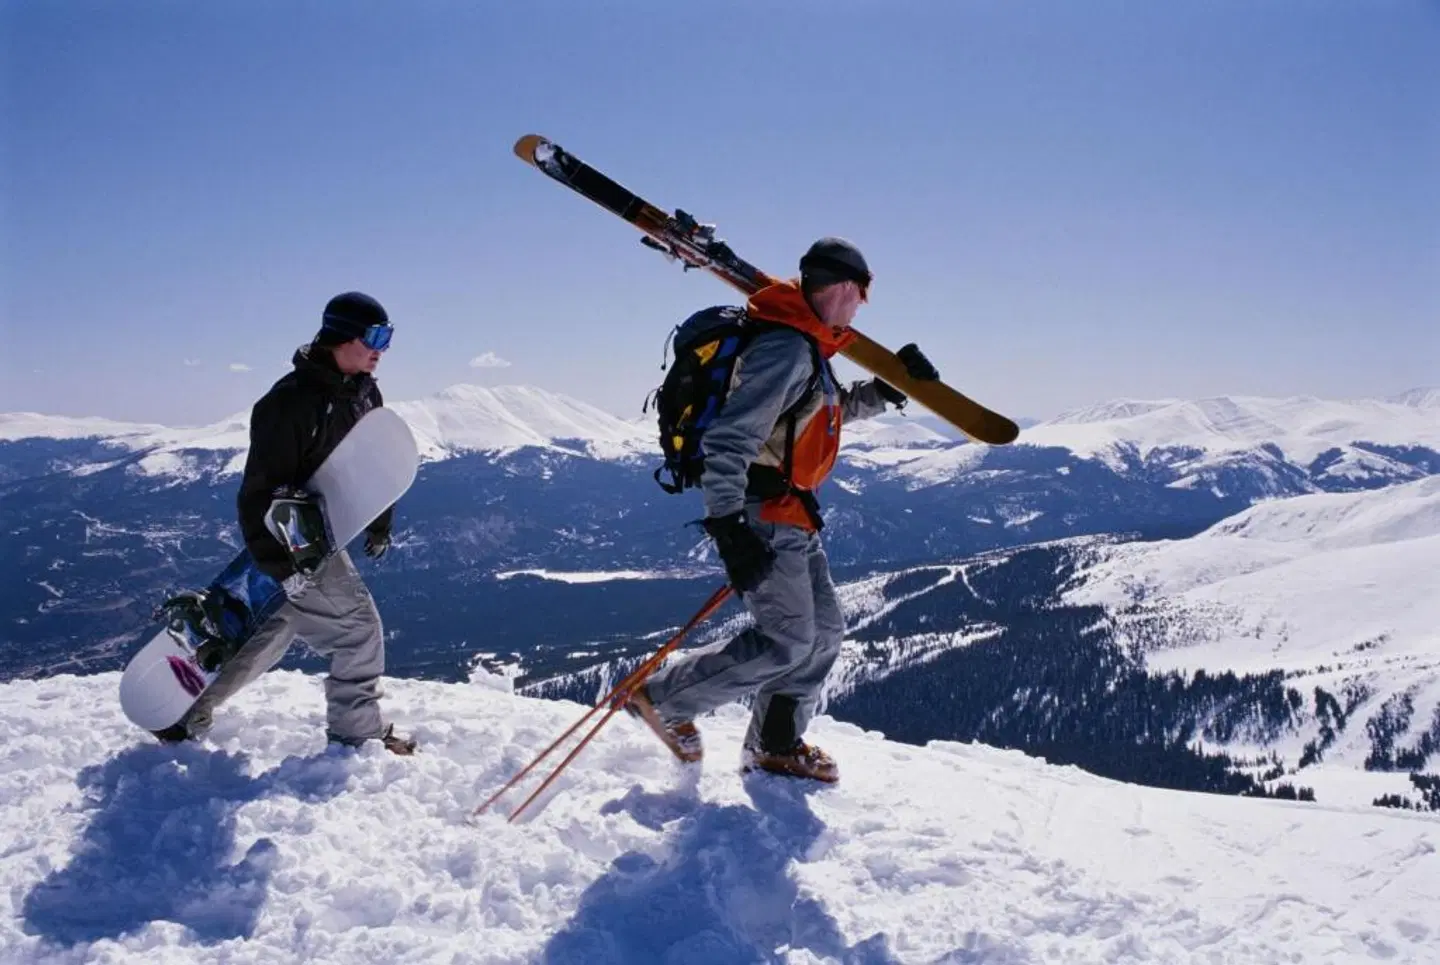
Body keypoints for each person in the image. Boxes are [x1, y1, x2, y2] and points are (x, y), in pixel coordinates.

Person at [627, 238, 939, 782]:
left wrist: (886, 391)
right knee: (788, 639)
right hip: (763, 514)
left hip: (790, 512)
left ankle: (775, 742)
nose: (861, 307)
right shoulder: (787, 349)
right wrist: (727, 527)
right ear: (844, 288)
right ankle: (664, 701)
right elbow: (731, 439)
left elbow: (819, 415)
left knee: (823, 635)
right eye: (861, 294)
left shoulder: (807, 348)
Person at [161, 291, 415, 754]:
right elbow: (258, 494)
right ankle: (357, 737)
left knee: (269, 632)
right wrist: (285, 568)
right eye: (374, 336)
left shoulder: (363, 393)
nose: (382, 348)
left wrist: (379, 521)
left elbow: (368, 467)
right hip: (293, 548)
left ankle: (183, 713)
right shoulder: (288, 404)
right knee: (358, 630)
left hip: (320, 541)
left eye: (388, 337)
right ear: (341, 335)